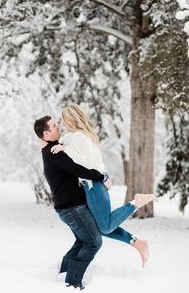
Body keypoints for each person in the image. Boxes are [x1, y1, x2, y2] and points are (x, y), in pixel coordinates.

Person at [50, 104, 155, 267]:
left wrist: (64, 150)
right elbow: (60, 145)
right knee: (99, 227)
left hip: (94, 186)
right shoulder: (76, 136)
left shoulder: (80, 136)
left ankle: (136, 203)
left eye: (65, 120)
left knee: (104, 227)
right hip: (93, 186)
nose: (63, 124)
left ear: (71, 119)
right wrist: (56, 145)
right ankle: (138, 243)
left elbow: (85, 163)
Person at [34, 115, 112, 290]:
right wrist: (101, 177)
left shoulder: (50, 149)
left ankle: (63, 274)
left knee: (81, 241)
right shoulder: (55, 153)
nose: (58, 127)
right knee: (93, 242)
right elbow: (77, 169)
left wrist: (46, 143)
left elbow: (66, 142)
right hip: (73, 208)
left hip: (67, 207)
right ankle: (72, 282)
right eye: (54, 126)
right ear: (46, 133)